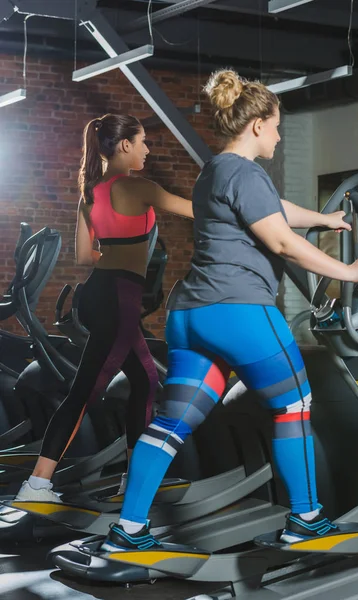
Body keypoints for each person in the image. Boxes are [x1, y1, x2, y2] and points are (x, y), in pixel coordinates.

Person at [101, 70, 358, 552]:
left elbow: (276, 210)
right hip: (238, 310)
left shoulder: (216, 171)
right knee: (295, 405)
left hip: (190, 316)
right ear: (256, 127)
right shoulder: (246, 173)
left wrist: (326, 219)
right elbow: (281, 240)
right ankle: (307, 518)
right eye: (276, 126)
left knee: (171, 423)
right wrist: (351, 273)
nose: (279, 134)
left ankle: (129, 529)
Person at [15, 113, 193, 502]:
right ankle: (37, 485)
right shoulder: (139, 187)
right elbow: (195, 210)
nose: (148, 149)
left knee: (146, 380)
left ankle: (137, 478)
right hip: (119, 297)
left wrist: (114, 250)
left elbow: (84, 255)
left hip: (98, 293)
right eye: (143, 141)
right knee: (84, 392)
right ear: (125, 145)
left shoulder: (90, 192)